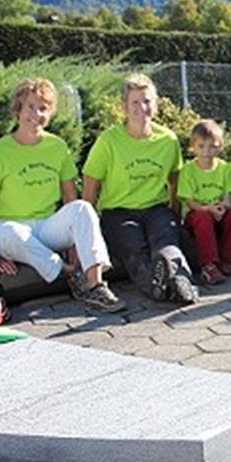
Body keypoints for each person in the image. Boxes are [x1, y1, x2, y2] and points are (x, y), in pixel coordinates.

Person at [0, 78, 123, 312]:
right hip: (11, 227)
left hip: (47, 227)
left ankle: (95, 285)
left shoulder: (57, 147)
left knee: (83, 208)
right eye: (30, 107)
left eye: (43, 108)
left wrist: (75, 239)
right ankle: (70, 273)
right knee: (10, 233)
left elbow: (70, 197)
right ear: (18, 110)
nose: (36, 114)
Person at [83, 73, 197, 304]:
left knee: (166, 242)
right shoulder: (109, 141)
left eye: (147, 101)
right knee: (133, 248)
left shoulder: (167, 139)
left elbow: (175, 179)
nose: (141, 107)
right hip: (119, 211)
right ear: (124, 106)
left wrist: (174, 213)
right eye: (135, 102)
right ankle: (158, 287)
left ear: (155, 104)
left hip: (155, 208)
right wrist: (89, 225)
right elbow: (91, 182)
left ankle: (181, 282)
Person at [179, 120, 231, 285]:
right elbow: (189, 201)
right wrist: (207, 208)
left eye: (212, 146)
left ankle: (227, 260)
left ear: (220, 146)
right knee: (203, 216)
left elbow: (229, 194)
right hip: (198, 215)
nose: (207, 151)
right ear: (193, 147)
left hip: (219, 211)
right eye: (201, 146)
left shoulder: (226, 168)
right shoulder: (188, 171)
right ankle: (209, 265)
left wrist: (224, 205)